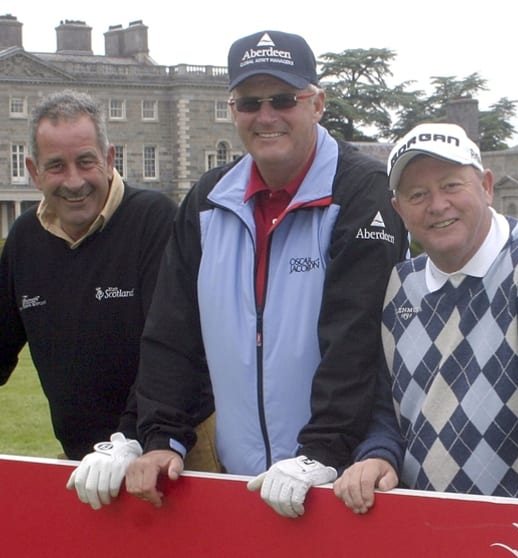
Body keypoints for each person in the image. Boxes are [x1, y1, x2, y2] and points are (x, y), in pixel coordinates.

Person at [122, 30, 408, 518]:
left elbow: (355, 342)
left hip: (345, 484)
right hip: (242, 484)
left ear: (316, 103)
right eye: (250, 102)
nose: (267, 116)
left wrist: (320, 455)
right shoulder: (208, 199)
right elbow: (173, 332)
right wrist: (161, 435)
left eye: (283, 99)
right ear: (232, 109)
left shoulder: (362, 191)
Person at [0, 90, 177, 501]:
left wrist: (127, 439)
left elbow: (166, 349)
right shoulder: (25, 237)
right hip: (85, 463)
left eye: (86, 161)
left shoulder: (154, 218)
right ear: (33, 171)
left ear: (110, 159)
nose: (74, 181)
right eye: (56, 166)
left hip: (166, 458)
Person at [332, 123, 518, 541]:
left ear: (486, 186)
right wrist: (380, 455)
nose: (437, 204)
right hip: (427, 531)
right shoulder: (399, 285)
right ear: (399, 210)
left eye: (451, 185)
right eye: (417, 194)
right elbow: (387, 407)